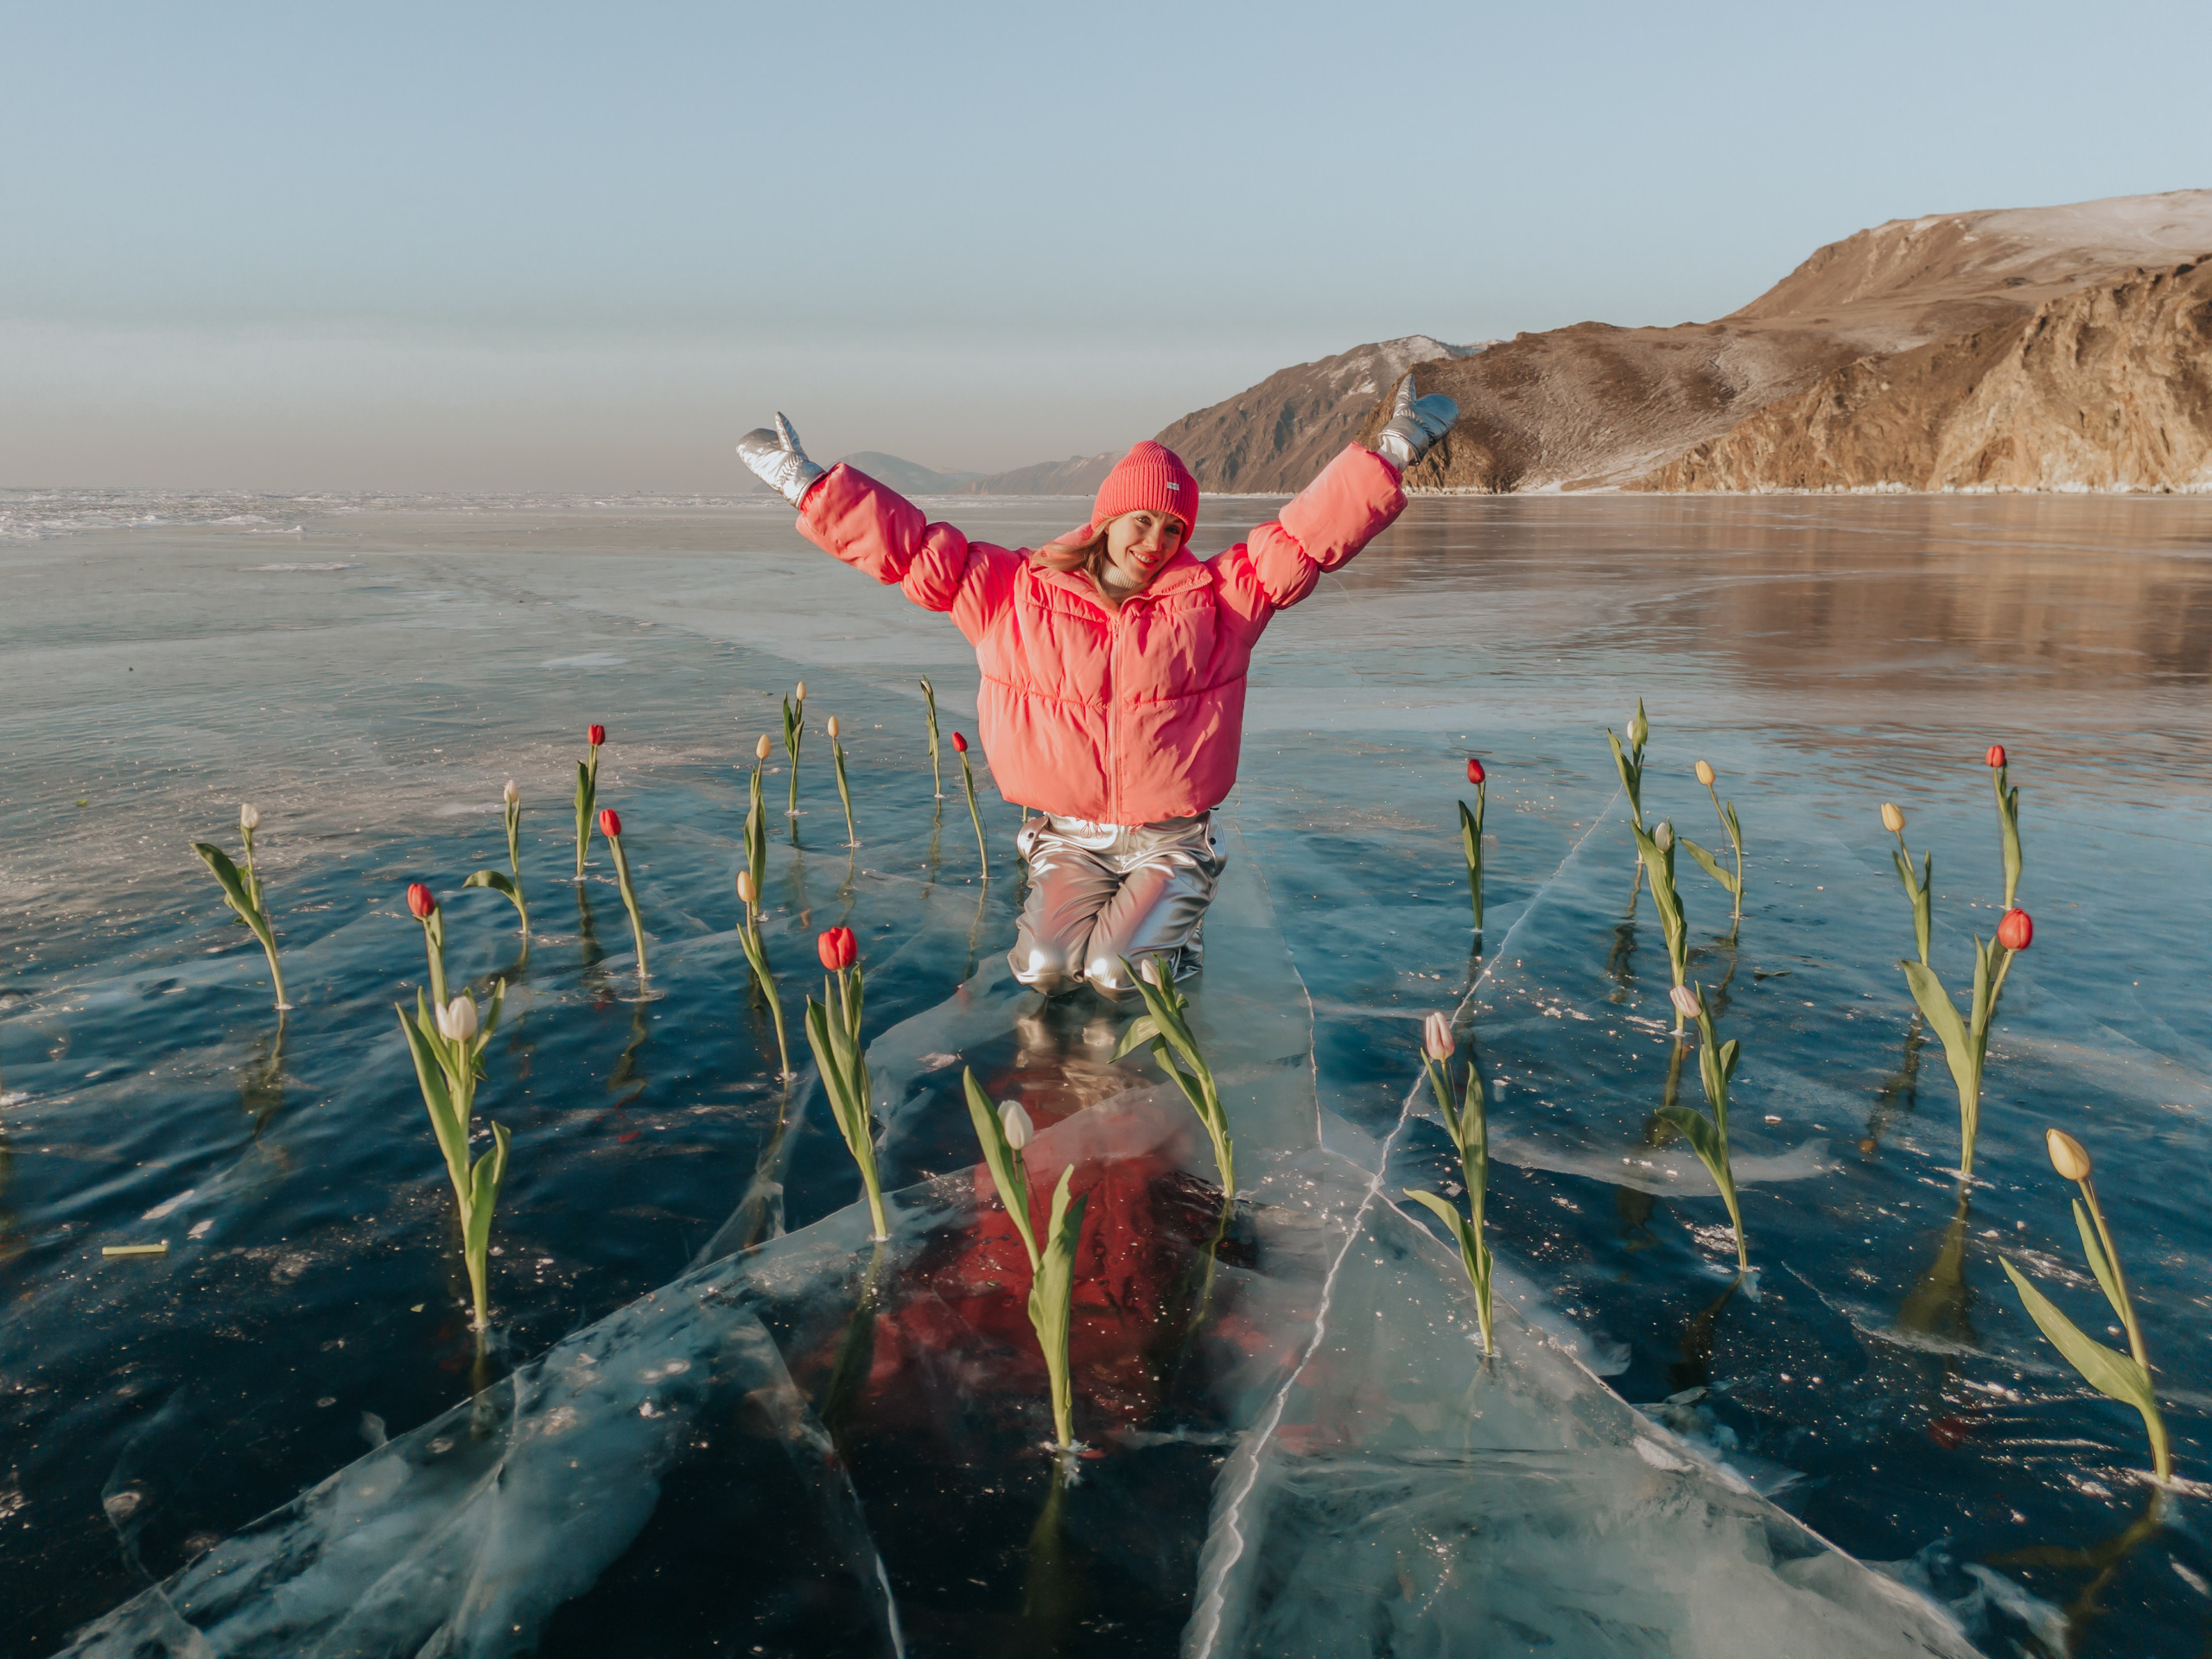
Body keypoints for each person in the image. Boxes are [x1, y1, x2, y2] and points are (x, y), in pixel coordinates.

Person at [736, 378, 1456, 999]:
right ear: (1107, 518)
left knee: (1118, 975)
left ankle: (1177, 949)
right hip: (1068, 839)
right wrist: (812, 487)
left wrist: (1388, 453)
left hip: (1170, 839)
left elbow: (1300, 540)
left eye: (1174, 528)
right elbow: (913, 549)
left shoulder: (1217, 600)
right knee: (1043, 971)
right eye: (1143, 520)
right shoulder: (1012, 590)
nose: (1157, 541)